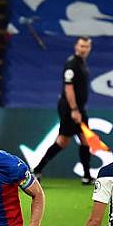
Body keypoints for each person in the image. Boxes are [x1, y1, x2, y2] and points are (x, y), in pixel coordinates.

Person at [33, 36, 94, 184]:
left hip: (79, 108)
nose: (84, 49)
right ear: (76, 46)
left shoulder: (82, 63)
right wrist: (74, 110)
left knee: (85, 139)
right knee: (62, 141)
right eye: (81, 46)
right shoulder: (71, 64)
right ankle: (36, 170)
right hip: (69, 108)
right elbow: (69, 88)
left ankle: (86, 176)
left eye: (86, 47)